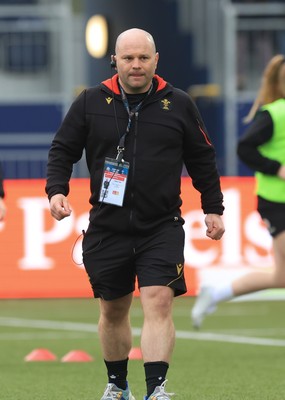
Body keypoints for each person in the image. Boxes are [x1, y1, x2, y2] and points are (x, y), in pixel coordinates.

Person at [45, 28, 225, 400]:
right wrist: (57, 191)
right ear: (115, 60)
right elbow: (63, 149)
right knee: (113, 310)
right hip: (108, 226)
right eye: (128, 58)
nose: (136, 65)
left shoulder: (179, 104)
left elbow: (202, 158)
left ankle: (157, 389)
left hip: (162, 225)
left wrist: (213, 208)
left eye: (144, 57)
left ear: (156, 60)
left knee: (158, 300)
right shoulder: (90, 102)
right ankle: (117, 383)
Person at [191, 54, 285, 330]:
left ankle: (216, 291)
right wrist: (276, 167)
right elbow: (244, 148)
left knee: (281, 277)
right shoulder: (275, 113)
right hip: (277, 202)